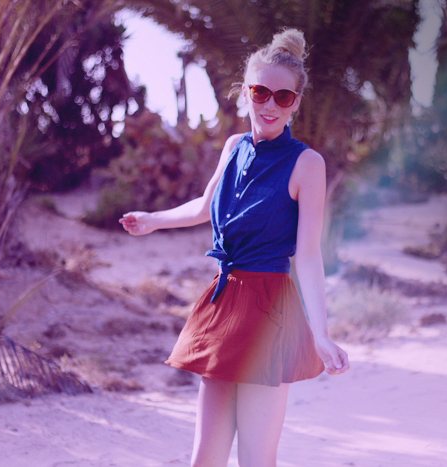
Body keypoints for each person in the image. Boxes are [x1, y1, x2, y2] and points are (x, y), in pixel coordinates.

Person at [119, 28, 349, 467]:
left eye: (283, 97)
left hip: (269, 310)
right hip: (223, 302)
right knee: (204, 458)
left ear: (296, 103)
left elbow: (308, 254)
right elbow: (204, 206)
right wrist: (153, 220)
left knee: (256, 459)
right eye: (261, 92)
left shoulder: (307, 164)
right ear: (246, 92)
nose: (269, 105)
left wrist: (321, 334)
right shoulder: (232, 148)